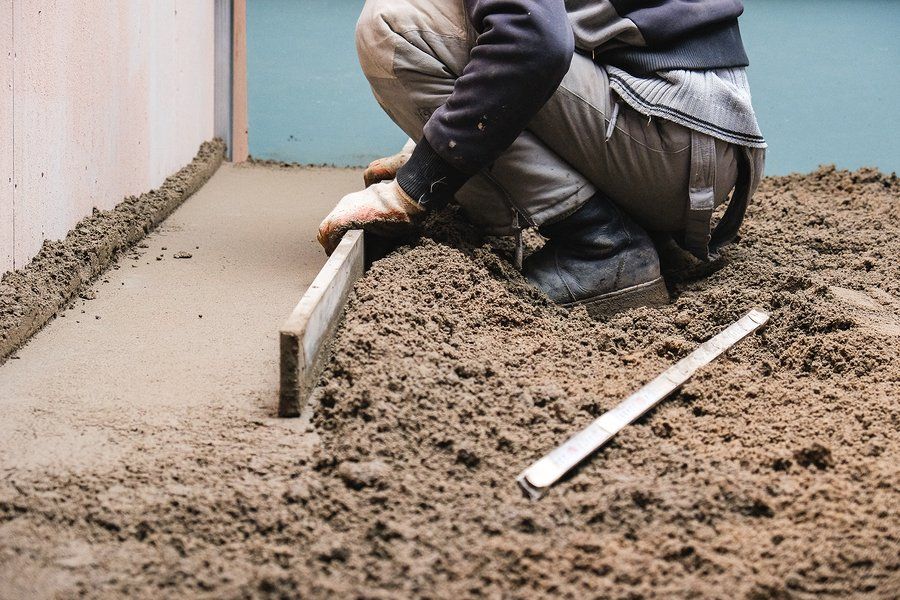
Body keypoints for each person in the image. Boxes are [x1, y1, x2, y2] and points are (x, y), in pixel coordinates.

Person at [318, 0, 766, 318]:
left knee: (394, 23)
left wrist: (412, 190)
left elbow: (533, 41)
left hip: (671, 139)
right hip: (698, 133)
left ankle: (599, 244)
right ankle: (598, 219)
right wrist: (432, 143)